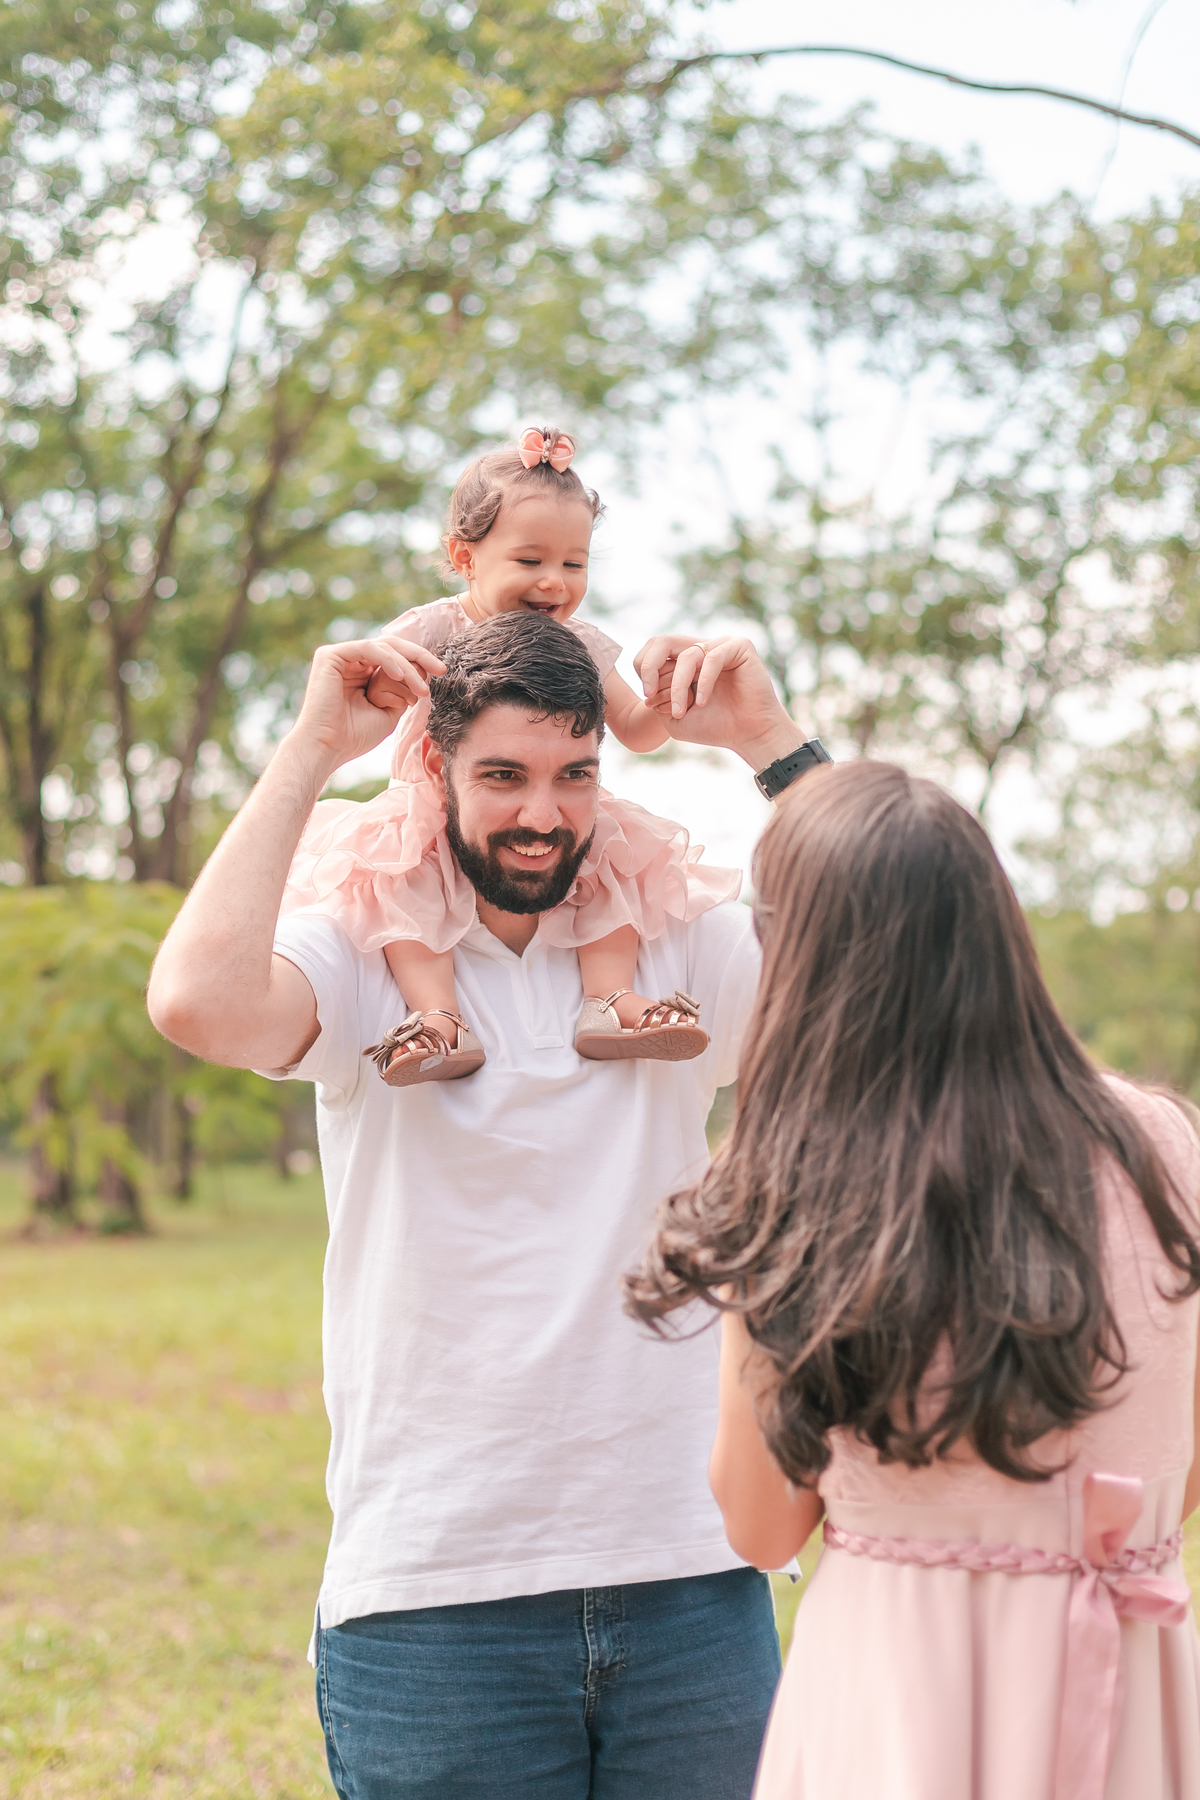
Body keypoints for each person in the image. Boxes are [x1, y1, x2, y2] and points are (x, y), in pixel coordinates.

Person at [146, 609, 831, 1799]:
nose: (542, 814)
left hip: (690, 1579)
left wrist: (770, 742)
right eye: (502, 775)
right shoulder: (362, 956)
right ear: (435, 768)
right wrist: (311, 749)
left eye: (575, 775)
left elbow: (913, 967)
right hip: (432, 1602)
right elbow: (199, 1002)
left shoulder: (680, 948)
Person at [626, 759, 1200, 1800]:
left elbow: (761, 1525)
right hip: (1124, 1654)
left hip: (900, 1682)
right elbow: (1183, 1458)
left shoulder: (794, 1181)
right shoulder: (1163, 1144)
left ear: (800, 960)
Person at [280, 424, 739, 1087]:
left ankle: (608, 1000)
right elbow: (375, 694)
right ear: (464, 557)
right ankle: (439, 1019)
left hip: (547, 801)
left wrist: (675, 694)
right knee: (399, 881)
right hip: (439, 806)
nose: (554, 582)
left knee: (617, 858)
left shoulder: (582, 642)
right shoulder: (432, 627)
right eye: (530, 561)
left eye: (573, 564)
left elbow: (636, 729)